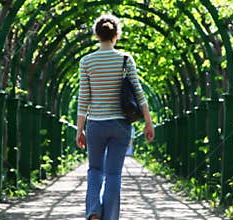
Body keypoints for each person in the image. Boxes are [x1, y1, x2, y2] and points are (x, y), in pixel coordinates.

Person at [75, 13, 155, 220]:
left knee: (94, 170)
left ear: (96, 34)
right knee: (113, 174)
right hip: (121, 125)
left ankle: (93, 210)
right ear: (116, 35)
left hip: (95, 125)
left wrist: (79, 130)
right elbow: (139, 93)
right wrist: (148, 123)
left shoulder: (87, 62)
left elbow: (83, 99)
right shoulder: (126, 60)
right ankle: (110, 217)